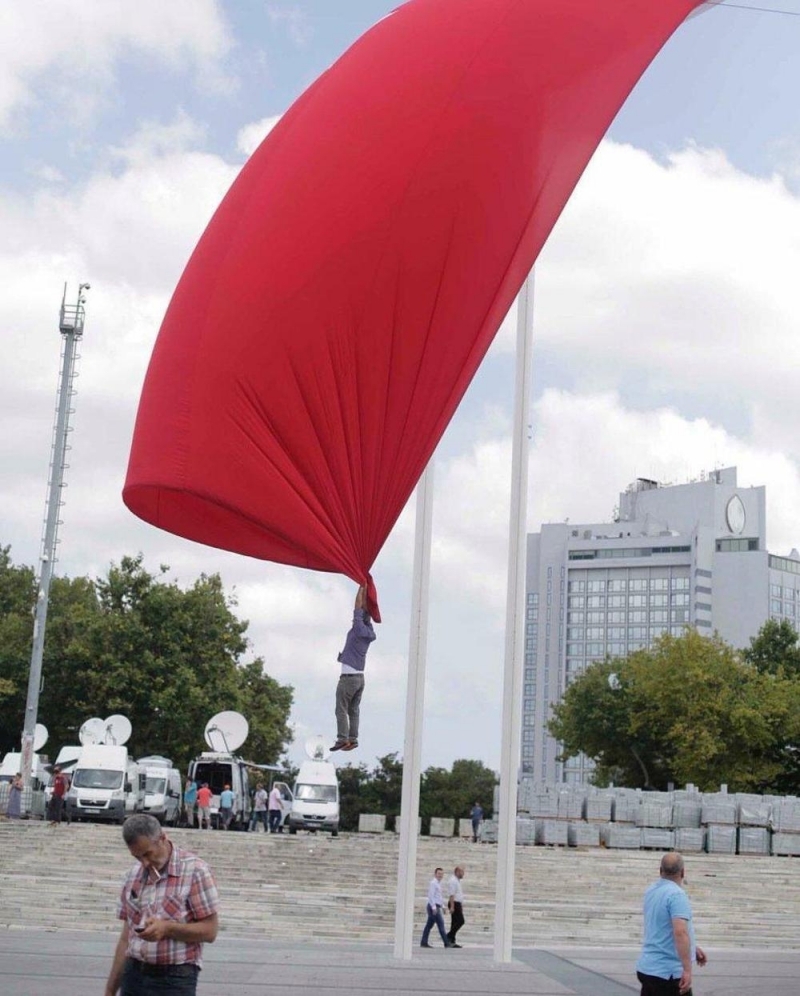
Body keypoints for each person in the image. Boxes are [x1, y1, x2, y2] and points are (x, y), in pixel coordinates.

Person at [104, 814, 219, 996]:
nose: (145, 862)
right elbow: (126, 938)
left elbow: (210, 931)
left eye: (148, 854)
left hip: (174, 978)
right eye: (137, 857)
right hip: (133, 974)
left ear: (163, 838)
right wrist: (110, 990)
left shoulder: (195, 871)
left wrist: (166, 928)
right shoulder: (132, 876)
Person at [636, 852, 707, 996]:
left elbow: (661, 927)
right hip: (668, 973)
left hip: (648, 968)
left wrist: (691, 947)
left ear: (660, 871)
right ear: (683, 872)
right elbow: (680, 932)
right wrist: (687, 970)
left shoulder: (651, 891)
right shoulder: (677, 895)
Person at [330, 584, 376, 752]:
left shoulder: (357, 629)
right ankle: (353, 739)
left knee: (340, 708)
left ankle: (342, 739)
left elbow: (358, 607)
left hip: (349, 679)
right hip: (360, 678)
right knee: (354, 710)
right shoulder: (368, 633)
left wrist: (361, 586)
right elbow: (366, 613)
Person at [420, 867, 452, 948]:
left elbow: (439, 897)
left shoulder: (438, 883)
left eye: (441, 874)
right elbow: (431, 896)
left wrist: (443, 907)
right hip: (433, 907)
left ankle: (424, 942)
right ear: (435, 874)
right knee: (441, 924)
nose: (440, 875)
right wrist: (434, 908)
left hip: (436, 906)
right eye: (438, 873)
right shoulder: (433, 883)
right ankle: (446, 943)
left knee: (429, 925)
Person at [446, 866, 465, 947]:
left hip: (457, 903)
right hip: (454, 903)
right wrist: (452, 906)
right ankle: (448, 936)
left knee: (454, 922)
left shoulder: (457, 881)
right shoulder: (453, 881)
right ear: (457, 872)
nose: (463, 874)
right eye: (462, 872)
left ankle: (451, 941)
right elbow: (452, 895)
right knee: (461, 921)